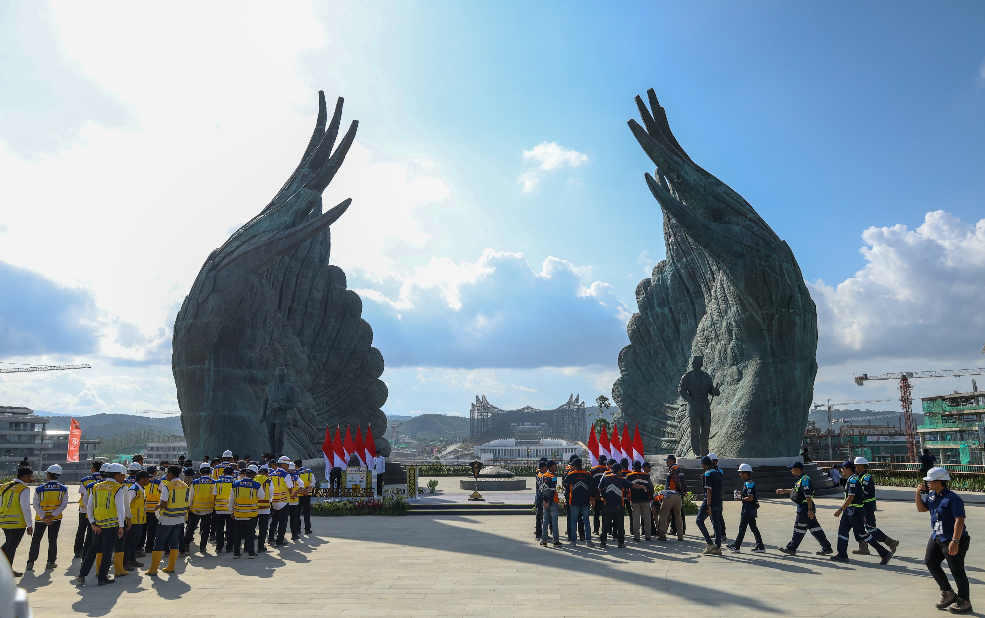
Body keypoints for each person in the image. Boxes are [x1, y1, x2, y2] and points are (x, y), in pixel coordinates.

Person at [916, 467, 972, 613]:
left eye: (930, 481)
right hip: (937, 535)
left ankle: (964, 601)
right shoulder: (932, 496)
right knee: (930, 562)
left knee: (957, 570)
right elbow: (922, 509)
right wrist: (917, 493)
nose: (927, 483)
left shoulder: (953, 498)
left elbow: (959, 520)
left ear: (939, 482)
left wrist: (955, 541)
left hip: (953, 538)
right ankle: (948, 593)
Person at [829, 460, 892, 565]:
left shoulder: (853, 480)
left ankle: (884, 553)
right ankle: (842, 554)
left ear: (849, 470)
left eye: (843, 469)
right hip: (850, 511)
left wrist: (840, 509)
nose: (841, 471)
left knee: (862, 534)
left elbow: (851, 497)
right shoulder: (851, 479)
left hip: (855, 511)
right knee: (842, 532)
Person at [75, 463, 129, 586]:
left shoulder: (96, 487)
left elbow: (89, 506)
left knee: (92, 549)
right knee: (107, 550)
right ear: (116, 475)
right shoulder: (118, 488)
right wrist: (121, 526)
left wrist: (92, 523)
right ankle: (102, 577)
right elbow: (120, 509)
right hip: (111, 525)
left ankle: (82, 575)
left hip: (97, 524)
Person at [777, 461, 833, 556]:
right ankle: (827, 547)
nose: (791, 470)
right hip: (805, 507)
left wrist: (810, 510)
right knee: (815, 529)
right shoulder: (800, 479)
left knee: (799, 528)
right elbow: (796, 490)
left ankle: (791, 548)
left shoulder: (805, 479)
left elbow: (808, 496)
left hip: (805, 508)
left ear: (797, 469)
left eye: (792, 468)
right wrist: (783, 491)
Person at [146, 465, 190, 577]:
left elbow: (164, 503)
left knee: (159, 542)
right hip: (180, 518)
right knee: (174, 542)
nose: (166, 475)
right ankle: (171, 567)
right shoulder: (185, 486)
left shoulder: (168, 487)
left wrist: (157, 507)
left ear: (171, 473)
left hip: (167, 518)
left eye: (167, 473)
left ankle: (153, 569)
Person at [854, 457, 899, 556]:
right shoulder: (859, 477)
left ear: (861, 466)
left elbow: (863, 493)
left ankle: (891, 542)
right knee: (858, 526)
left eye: (856, 465)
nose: (855, 467)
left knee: (870, 528)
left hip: (867, 506)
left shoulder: (866, 477)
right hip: (862, 506)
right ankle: (863, 547)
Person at [30, 466, 71, 570]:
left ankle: (30, 562)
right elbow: (63, 505)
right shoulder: (63, 489)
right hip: (55, 519)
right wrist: (51, 516)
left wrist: (44, 517)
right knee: (52, 540)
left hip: (40, 519)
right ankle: (50, 562)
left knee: (36, 540)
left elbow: (35, 505)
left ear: (48, 475)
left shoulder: (39, 489)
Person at [0, 466, 35, 577]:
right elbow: (25, 508)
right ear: (25, 476)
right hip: (17, 523)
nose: (30, 479)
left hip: (4, 520)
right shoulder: (23, 489)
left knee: (8, 544)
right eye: (30, 477)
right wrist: (29, 525)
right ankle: (8, 572)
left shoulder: (5, 486)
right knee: (11, 547)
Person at [726, 463, 765, 553]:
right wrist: (741, 494)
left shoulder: (749, 484)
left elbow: (750, 497)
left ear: (745, 473)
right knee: (753, 528)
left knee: (742, 528)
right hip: (750, 509)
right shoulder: (747, 483)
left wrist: (741, 499)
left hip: (748, 509)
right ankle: (760, 546)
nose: (740, 474)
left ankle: (736, 546)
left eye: (741, 472)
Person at [231, 465, 264, 558]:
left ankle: (236, 553)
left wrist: (231, 511)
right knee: (250, 533)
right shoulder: (256, 485)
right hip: (251, 513)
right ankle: (251, 553)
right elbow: (262, 496)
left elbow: (231, 499)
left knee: (237, 533)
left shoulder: (236, 484)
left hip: (238, 513)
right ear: (254, 474)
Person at [562, 458, 595, 547]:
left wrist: (570, 471)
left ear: (574, 466)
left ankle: (573, 541)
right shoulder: (587, 474)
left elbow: (565, 481)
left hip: (574, 501)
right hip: (585, 501)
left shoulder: (571, 474)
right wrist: (592, 499)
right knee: (586, 521)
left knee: (573, 521)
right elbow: (591, 488)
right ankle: (588, 541)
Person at [598, 462, 631, 548]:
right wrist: (642, 487)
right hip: (619, 505)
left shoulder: (605, 478)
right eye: (621, 470)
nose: (622, 472)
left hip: (608, 504)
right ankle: (621, 543)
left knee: (606, 524)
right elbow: (632, 485)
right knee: (620, 524)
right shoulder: (621, 479)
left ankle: (603, 542)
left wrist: (604, 495)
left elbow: (599, 488)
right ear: (618, 471)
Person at [696, 456, 724, 555]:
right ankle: (718, 547)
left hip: (710, 501)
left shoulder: (707, 473)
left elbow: (709, 490)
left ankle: (709, 543)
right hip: (718, 501)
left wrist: (708, 505)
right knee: (716, 523)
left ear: (703, 464)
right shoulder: (717, 472)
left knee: (699, 520)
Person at [123, 471, 150, 571]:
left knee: (135, 541)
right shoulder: (133, 490)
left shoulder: (141, 489)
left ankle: (132, 559)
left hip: (139, 521)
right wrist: (128, 519)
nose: (148, 480)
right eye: (147, 478)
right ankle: (125, 562)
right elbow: (126, 505)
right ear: (142, 479)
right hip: (132, 522)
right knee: (129, 542)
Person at [74, 460, 101, 559]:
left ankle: (78, 551)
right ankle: (91, 551)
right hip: (96, 510)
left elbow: (82, 494)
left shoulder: (85, 480)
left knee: (81, 530)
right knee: (92, 532)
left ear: (93, 468)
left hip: (84, 509)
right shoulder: (103, 480)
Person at [186, 464, 215, 554]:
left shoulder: (195, 482)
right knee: (206, 529)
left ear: (200, 472)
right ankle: (203, 546)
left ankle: (186, 545)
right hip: (208, 509)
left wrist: (189, 506)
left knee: (191, 528)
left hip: (196, 509)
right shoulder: (214, 482)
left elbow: (190, 495)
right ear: (210, 472)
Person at [657, 454, 685, 541]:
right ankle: (680, 536)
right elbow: (682, 482)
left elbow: (677, 481)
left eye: (668, 461)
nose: (667, 462)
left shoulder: (673, 469)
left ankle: (662, 535)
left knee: (663, 515)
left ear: (673, 461)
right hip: (678, 496)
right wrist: (683, 491)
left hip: (670, 495)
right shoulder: (679, 469)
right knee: (678, 515)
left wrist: (682, 490)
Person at [268, 456, 294, 546]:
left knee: (274, 521)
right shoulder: (286, 474)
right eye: (287, 465)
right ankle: (280, 541)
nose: (288, 467)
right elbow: (290, 488)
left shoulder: (272, 474)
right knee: (283, 522)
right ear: (282, 464)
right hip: (283, 501)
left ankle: (271, 538)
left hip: (274, 501)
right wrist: (289, 495)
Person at [627, 461, 654, 542]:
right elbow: (651, 487)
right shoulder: (646, 475)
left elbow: (625, 486)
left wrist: (628, 495)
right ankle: (648, 536)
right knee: (647, 518)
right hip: (645, 499)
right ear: (641, 467)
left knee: (636, 519)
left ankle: (637, 537)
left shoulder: (629, 476)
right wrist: (651, 497)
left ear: (633, 467)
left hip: (635, 500)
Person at [212, 465, 236, 553]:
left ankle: (219, 547)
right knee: (231, 529)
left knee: (219, 529)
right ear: (233, 473)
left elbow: (214, 495)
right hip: (231, 510)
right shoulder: (235, 482)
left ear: (224, 473)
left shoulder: (218, 482)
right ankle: (229, 547)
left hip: (219, 509)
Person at [139, 465, 160, 557]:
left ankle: (140, 547)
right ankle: (149, 547)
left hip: (144, 509)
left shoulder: (142, 482)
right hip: (154, 509)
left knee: (143, 529)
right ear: (155, 473)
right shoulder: (158, 482)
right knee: (152, 530)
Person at [539, 460, 561, 548]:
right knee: (554, 522)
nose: (556, 468)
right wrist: (549, 502)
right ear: (550, 467)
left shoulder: (543, 476)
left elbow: (541, 490)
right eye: (554, 466)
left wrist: (544, 501)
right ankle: (556, 541)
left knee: (545, 522)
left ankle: (544, 541)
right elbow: (552, 490)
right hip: (553, 501)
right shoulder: (553, 476)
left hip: (545, 502)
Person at [255, 465, 272, 553]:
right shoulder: (268, 481)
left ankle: (247, 547)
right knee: (263, 528)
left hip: (254, 507)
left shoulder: (253, 480)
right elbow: (271, 493)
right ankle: (260, 547)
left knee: (251, 528)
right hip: (265, 508)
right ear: (266, 474)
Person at [296, 459, 315, 535]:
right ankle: (307, 529)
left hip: (299, 495)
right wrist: (307, 490)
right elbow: (312, 483)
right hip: (308, 495)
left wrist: (302, 491)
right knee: (307, 513)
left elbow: (296, 484)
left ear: (295, 465)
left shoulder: (295, 473)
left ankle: (298, 530)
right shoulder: (309, 472)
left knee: (297, 513)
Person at [590, 455, 608, 536]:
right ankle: (606, 530)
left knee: (596, 513)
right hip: (606, 496)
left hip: (596, 495)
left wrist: (592, 496)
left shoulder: (593, 470)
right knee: (605, 513)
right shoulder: (608, 470)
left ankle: (596, 530)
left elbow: (590, 483)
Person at [287, 462, 304, 541]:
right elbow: (302, 485)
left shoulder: (283, 477)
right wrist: (296, 493)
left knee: (283, 520)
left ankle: (280, 536)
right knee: (294, 519)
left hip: (285, 501)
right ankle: (294, 534)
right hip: (294, 501)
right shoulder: (295, 477)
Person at [534, 459, 547, 540]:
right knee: (543, 518)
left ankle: (538, 534)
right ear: (542, 468)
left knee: (539, 517)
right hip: (541, 500)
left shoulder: (539, 475)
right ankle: (542, 535)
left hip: (538, 499)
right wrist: (544, 500)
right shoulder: (542, 476)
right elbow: (542, 490)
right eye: (546, 467)